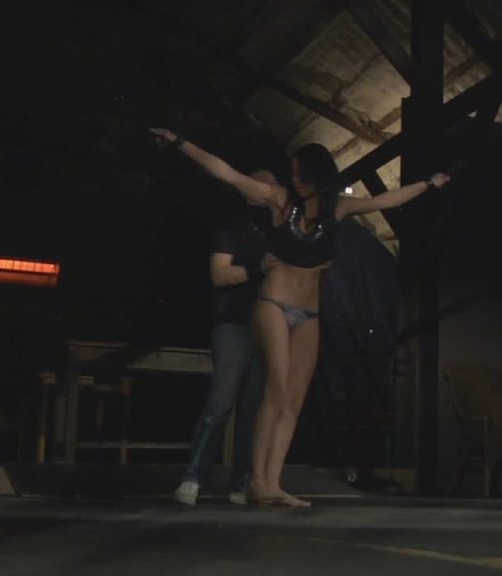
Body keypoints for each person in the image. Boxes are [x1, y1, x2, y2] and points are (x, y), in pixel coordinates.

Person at [150, 128, 450, 507]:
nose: (293, 179)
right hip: (274, 304)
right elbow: (226, 173)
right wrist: (181, 143)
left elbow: (384, 199)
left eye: (299, 173)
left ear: (315, 175)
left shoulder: (337, 208)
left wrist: (428, 184)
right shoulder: (279, 199)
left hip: (310, 313)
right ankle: (258, 482)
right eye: (291, 173)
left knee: (294, 399)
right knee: (276, 390)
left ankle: (272, 483)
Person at [173, 170, 280, 506]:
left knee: (254, 410)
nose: (266, 189)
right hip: (234, 323)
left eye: (271, 184)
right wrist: (257, 269)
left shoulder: (279, 234)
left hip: (267, 328)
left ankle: (242, 482)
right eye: (260, 183)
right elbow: (219, 275)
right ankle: (193, 477)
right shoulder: (231, 227)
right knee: (220, 404)